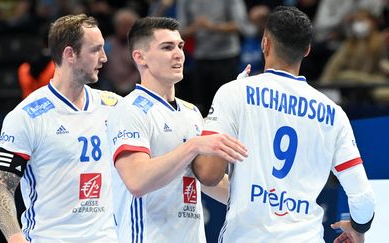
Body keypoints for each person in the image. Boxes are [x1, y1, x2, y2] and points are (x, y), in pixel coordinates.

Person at [192, 6, 376, 242]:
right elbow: (363, 198)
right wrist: (359, 227)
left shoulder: (235, 92)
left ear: (265, 44)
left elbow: (208, 174)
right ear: (307, 50)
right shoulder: (334, 113)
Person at [106, 17, 247, 243]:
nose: (179, 54)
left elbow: (211, 184)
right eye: (167, 47)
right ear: (139, 57)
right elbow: (137, 180)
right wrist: (192, 146)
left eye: (180, 46)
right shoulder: (129, 110)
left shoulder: (191, 113)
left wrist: (264, 204)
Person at [0, 14, 119, 243]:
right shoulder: (26, 115)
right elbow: (1, 188)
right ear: (70, 54)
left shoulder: (113, 106)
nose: (104, 58)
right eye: (95, 50)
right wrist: (16, 239)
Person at [176, 0, 255, 116]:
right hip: (201, 58)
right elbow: (180, 31)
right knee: (203, 109)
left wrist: (211, 26)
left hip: (227, 57)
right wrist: (196, 27)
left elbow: (240, 25)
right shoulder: (185, 2)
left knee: (229, 107)